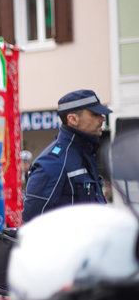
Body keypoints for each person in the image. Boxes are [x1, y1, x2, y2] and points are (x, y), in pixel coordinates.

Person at [23, 90, 112, 222]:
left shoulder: (85, 153)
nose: (102, 118)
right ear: (73, 119)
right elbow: (33, 222)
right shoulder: (54, 162)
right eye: (95, 114)